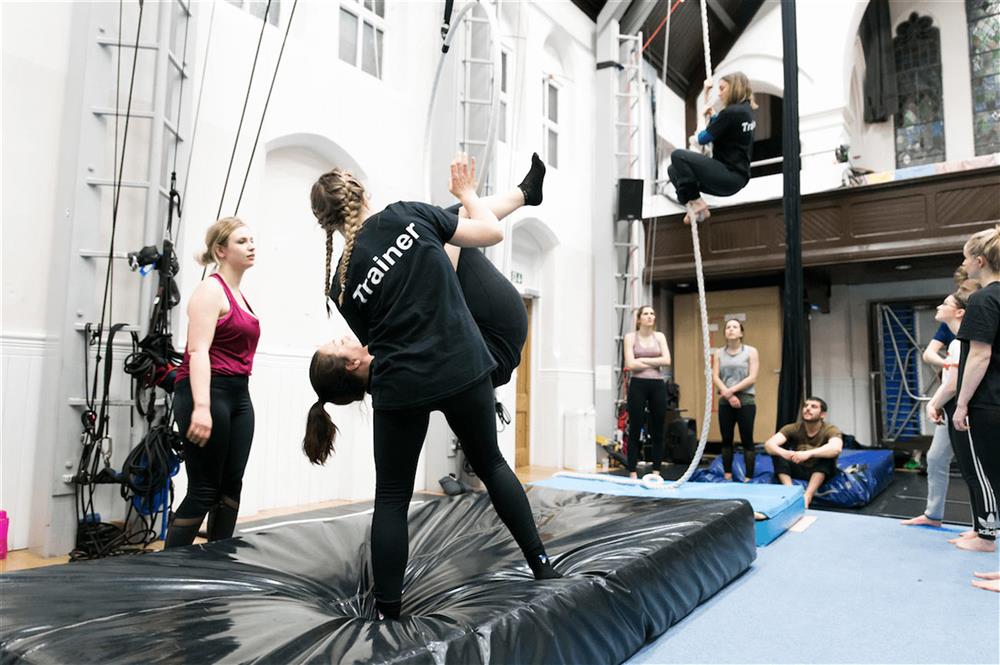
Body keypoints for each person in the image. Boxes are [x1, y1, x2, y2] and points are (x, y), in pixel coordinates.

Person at [305, 153, 559, 621]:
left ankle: (387, 610)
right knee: (492, 464)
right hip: (459, 365)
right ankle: (541, 567)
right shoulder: (404, 214)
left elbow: (371, 346)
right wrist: (466, 196)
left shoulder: (338, 286)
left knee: (392, 497)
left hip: (401, 385)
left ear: (326, 223)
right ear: (360, 193)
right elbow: (491, 232)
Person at [165, 218, 260, 547]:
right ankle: (167, 568)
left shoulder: (240, 296)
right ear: (221, 250)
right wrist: (202, 407)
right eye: (242, 241)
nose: (251, 246)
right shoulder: (210, 290)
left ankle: (217, 566)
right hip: (207, 392)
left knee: (231, 484)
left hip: (238, 394)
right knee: (204, 488)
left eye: (251, 240)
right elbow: (197, 350)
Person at [906, 289, 975, 529]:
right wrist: (938, 402)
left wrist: (933, 403)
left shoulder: (966, 341)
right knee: (935, 458)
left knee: (976, 468)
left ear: (959, 311)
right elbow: (950, 377)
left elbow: (955, 383)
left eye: (944, 303)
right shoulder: (955, 341)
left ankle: (986, 527)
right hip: (952, 407)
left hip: (969, 410)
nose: (938, 307)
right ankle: (933, 515)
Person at [952, 225, 1000, 554]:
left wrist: (961, 403)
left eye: (967, 258)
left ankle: (986, 540)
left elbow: (980, 355)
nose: (964, 265)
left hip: (990, 403)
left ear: (980, 261)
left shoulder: (983, 300)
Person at [667, 72, 757, 225]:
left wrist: (705, 117)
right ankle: (697, 209)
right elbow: (729, 130)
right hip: (734, 181)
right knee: (673, 170)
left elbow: (702, 139)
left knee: (678, 156)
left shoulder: (730, 112)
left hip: (728, 175)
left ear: (734, 88)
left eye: (722, 89)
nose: (720, 93)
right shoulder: (747, 112)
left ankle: (696, 201)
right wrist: (716, 118)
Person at [763, 397, 843, 509]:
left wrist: (809, 453)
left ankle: (808, 495)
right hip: (799, 466)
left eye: (813, 406)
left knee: (828, 458)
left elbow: (836, 448)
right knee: (777, 454)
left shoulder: (830, 429)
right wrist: (784, 453)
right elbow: (768, 445)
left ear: (822, 414)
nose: (808, 409)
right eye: (806, 406)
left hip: (819, 470)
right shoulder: (792, 428)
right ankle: (790, 490)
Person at [622, 306, 672, 480]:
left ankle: (656, 471)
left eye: (652, 313)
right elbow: (630, 364)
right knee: (635, 428)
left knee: (658, 428)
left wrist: (641, 359)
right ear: (639, 319)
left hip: (657, 384)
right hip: (638, 385)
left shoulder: (659, 337)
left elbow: (667, 360)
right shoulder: (630, 337)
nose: (650, 316)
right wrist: (653, 362)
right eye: (646, 314)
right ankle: (632, 471)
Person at [712, 319, 759, 482]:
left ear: (741, 333)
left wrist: (731, 391)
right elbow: (715, 376)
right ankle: (727, 475)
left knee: (747, 440)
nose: (731, 329)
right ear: (725, 332)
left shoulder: (751, 351)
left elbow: (752, 377)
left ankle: (748, 477)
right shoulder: (718, 353)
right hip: (725, 401)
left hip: (745, 400)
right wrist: (728, 395)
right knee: (726, 439)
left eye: (735, 327)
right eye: (728, 327)